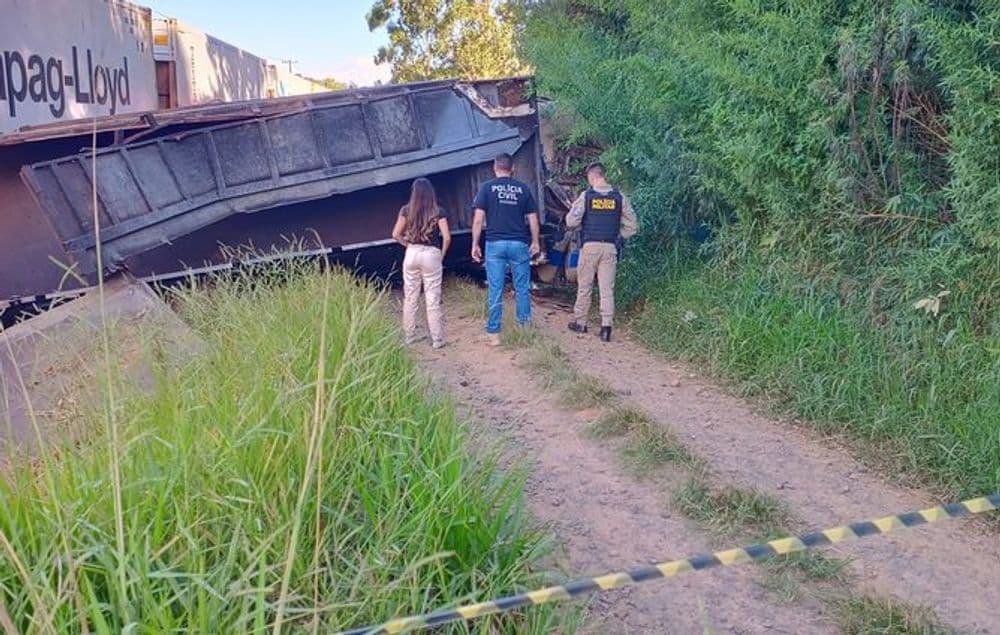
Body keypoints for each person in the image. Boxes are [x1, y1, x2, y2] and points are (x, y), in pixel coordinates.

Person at [471, 153, 541, 346]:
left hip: (495, 244)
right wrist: (535, 242)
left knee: (496, 288)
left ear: (495, 168)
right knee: (522, 288)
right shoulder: (523, 189)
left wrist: (475, 244)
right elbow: (533, 219)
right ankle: (524, 329)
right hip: (519, 244)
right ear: (513, 169)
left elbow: (478, 220)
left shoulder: (486, 188)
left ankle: (494, 334)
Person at [565, 162, 638, 342]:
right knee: (607, 289)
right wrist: (617, 235)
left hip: (590, 247)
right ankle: (606, 328)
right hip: (609, 248)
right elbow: (633, 227)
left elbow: (571, 222)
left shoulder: (587, 196)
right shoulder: (618, 197)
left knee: (585, 286)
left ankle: (581, 323)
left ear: (592, 177)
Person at [392, 177, 452, 349]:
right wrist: (441, 255)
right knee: (432, 297)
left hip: (412, 253)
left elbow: (395, 234)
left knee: (410, 296)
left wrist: (408, 245)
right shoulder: (438, 211)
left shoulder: (405, 210)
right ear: (431, 193)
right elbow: (447, 237)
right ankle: (437, 339)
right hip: (431, 254)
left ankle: (410, 336)